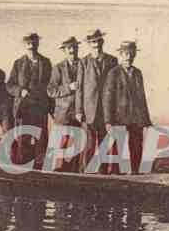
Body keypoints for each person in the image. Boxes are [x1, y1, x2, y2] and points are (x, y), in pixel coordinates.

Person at [102, 41, 152, 174]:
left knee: (136, 145)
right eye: (125, 53)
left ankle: (135, 171)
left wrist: (146, 120)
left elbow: (142, 97)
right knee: (117, 146)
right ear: (120, 54)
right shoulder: (113, 73)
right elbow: (108, 98)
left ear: (135, 54)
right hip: (118, 117)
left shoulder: (138, 73)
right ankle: (115, 172)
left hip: (136, 117)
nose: (128, 56)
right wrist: (108, 121)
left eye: (131, 53)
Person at [6, 33, 52, 167]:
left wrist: (51, 109)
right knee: (23, 139)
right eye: (28, 43)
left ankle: (40, 170)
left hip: (40, 108)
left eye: (34, 43)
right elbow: (9, 85)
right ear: (25, 45)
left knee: (41, 140)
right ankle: (22, 167)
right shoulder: (18, 63)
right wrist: (20, 91)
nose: (31, 46)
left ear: (38, 44)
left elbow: (50, 85)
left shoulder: (46, 62)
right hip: (23, 108)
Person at [75, 29, 118, 171]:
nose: (96, 44)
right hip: (89, 109)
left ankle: (103, 172)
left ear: (102, 42)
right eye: (93, 41)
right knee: (88, 143)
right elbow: (79, 88)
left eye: (98, 41)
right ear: (89, 43)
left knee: (104, 142)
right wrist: (78, 110)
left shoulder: (112, 60)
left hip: (106, 109)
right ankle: (85, 172)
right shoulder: (83, 62)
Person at [47, 36, 83, 172]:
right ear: (64, 51)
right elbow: (51, 91)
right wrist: (69, 87)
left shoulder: (83, 65)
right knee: (60, 145)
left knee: (77, 144)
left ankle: (73, 171)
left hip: (79, 113)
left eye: (74, 47)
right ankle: (56, 171)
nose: (72, 50)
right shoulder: (58, 68)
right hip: (62, 113)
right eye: (69, 48)